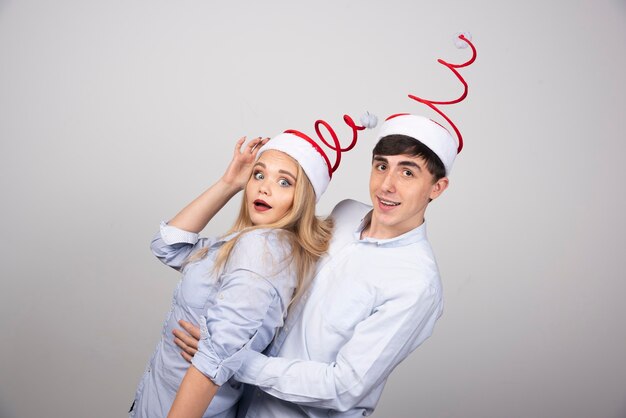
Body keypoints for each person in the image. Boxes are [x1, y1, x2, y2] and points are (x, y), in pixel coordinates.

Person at [172, 33, 477, 417]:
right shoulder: (346, 214)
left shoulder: (416, 284)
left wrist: (231, 357)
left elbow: (344, 387)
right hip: (239, 406)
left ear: (438, 187)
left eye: (408, 172)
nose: (387, 185)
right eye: (381, 165)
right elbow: (266, 265)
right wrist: (235, 186)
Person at [130, 128, 343, 418]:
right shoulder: (246, 243)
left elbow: (213, 360)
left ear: (303, 199)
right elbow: (169, 246)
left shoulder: (261, 250)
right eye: (259, 174)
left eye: (284, 182)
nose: (264, 188)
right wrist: (230, 182)